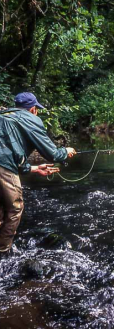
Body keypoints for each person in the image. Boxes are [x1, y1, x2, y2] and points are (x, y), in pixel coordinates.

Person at [0, 92, 76, 257]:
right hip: (4, 167)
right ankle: (3, 253)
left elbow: (9, 152)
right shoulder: (31, 119)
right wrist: (66, 151)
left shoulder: (3, 115)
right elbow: (53, 154)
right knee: (14, 208)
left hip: (4, 165)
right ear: (33, 109)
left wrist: (34, 168)